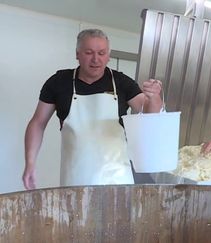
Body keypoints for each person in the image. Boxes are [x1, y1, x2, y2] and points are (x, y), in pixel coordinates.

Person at [22, 29, 162, 189]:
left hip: (117, 179)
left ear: (108, 56)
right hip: (75, 178)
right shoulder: (58, 82)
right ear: (77, 54)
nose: (96, 59)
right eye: (89, 52)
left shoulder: (121, 82)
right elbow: (38, 123)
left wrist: (154, 96)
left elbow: (151, 115)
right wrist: (30, 163)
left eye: (102, 53)